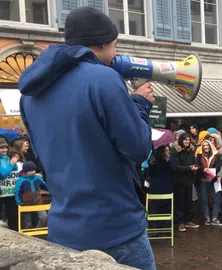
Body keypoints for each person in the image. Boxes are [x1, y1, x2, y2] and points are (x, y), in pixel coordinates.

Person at [17, 7, 155, 269]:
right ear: (103, 43)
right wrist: (139, 104)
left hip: (63, 231)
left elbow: (43, 157)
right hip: (116, 229)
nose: (115, 53)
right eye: (115, 45)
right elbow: (138, 149)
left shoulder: (29, 95)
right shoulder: (104, 78)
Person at [171, 133, 199, 231]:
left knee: (188, 201)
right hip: (179, 181)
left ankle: (188, 220)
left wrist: (195, 166)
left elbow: (194, 161)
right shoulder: (175, 152)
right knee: (180, 202)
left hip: (188, 180)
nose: (187, 141)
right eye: (185, 140)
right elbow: (176, 167)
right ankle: (180, 222)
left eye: (188, 140)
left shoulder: (190, 151)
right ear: (181, 140)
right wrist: (189, 168)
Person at [195, 140, 222, 226]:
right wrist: (202, 169)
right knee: (204, 199)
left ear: (210, 146)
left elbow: (219, 166)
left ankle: (214, 217)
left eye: (207, 145)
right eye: (204, 146)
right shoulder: (199, 156)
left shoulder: (217, 155)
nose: (206, 147)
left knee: (217, 198)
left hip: (214, 180)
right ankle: (207, 217)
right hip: (203, 180)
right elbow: (197, 166)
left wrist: (214, 172)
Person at [14, 162, 48, 229]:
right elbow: (17, 192)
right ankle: (28, 237)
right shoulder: (20, 180)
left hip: (38, 203)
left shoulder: (37, 178)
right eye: (30, 170)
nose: (33, 172)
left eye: (34, 170)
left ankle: (37, 230)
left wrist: (52, 191)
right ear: (26, 171)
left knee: (44, 217)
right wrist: (19, 202)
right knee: (28, 223)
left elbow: (45, 186)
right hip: (26, 204)